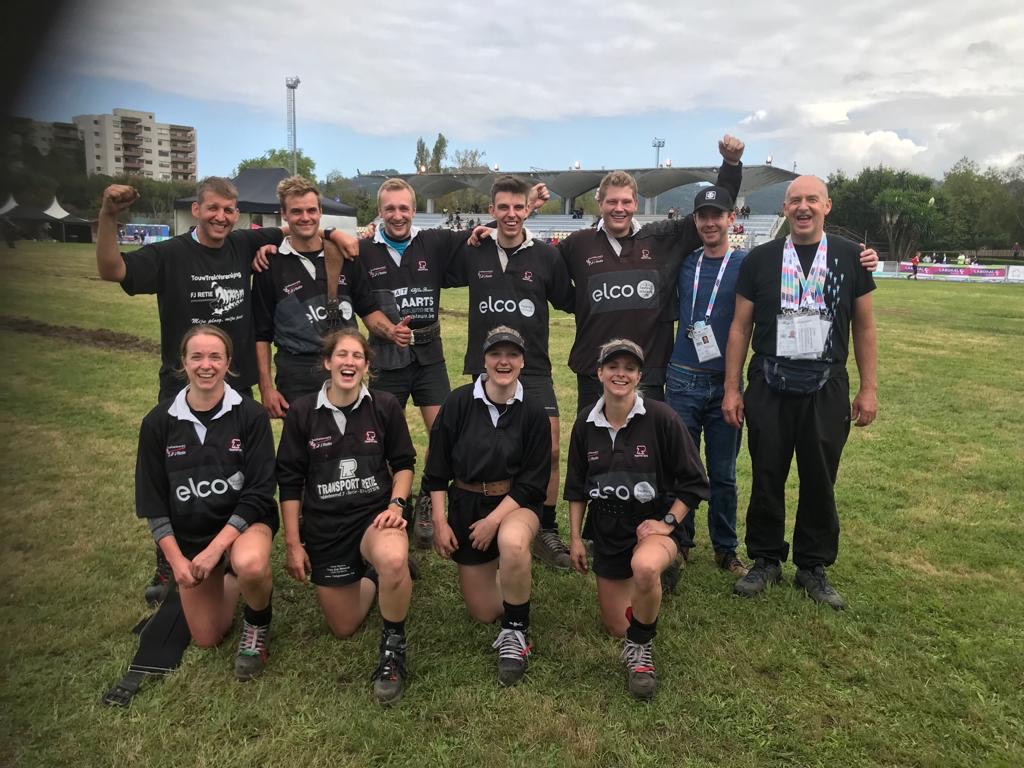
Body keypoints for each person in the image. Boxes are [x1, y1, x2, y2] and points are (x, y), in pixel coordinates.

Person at [97, 177, 357, 605]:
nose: (220, 217)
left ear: (237, 215)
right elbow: (112, 270)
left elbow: (300, 225)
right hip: (183, 385)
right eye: (213, 208)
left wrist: (334, 232)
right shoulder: (170, 254)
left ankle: (234, 549)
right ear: (196, 210)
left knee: (237, 474)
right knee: (181, 474)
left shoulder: (242, 244)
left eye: (228, 210)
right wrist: (108, 216)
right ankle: (169, 560)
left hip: (236, 387)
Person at [723, 175, 878, 610]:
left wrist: (868, 388)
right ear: (785, 208)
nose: (803, 207)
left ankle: (812, 565)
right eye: (795, 200)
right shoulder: (761, 259)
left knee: (819, 477)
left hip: (826, 384)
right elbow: (740, 327)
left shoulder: (850, 257)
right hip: (770, 382)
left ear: (827, 206)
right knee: (766, 473)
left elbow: (865, 327)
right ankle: (765, 559)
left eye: (812, 199)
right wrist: (732, 388)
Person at [276, 327, 416, 705]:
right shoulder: (302, 412)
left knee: (393, 557)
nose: (349, 362)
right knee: (344, 626)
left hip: (375, 516)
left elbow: (404, 464)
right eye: (342, 354)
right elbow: (289, 482)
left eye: (357, 356)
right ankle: (375, 575)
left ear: (367, 366)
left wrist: (396, 505)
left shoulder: (384, 406)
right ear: (327, 362)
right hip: (325, 526)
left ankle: (393, 647)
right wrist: (293, 544)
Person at [564, 339, 709, 700]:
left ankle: (641, 651)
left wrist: (669, 522)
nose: (621, 374)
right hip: (607, 528)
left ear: (639, 376)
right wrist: (576, 538)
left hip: (651, 525)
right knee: (617, 626)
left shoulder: (662, 417)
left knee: (644, 567)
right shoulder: (585, 422)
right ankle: (649, 587)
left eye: (629, 368)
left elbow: (695, 482)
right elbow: (576, 487)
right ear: (599, 372)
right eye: (613, 367)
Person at [558, 136, 745, 412]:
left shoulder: (661, 238)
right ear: (600, 203)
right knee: (594, 437)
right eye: (612, 201)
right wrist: (579, 302)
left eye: (625, 202)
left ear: (635, 203)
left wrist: (730, 164)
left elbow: (716, 208)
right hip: (594, 371)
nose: (619, 208)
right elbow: (544, 271)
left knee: (647, 439)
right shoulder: (578, 244)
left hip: (648, 372)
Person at [445, 175, 575, 571]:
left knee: (550, 449)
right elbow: (433, 263)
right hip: (485, 367)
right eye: (503, 207)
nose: (511, 214)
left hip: (533, 367)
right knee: (491, 448)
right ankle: (493, 517)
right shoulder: (475, 249)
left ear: (528, 210)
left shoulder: (546, 256)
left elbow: (571, 300)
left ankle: (545, 527)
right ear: (491, 210)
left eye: (519, 207)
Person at [134, 325, 278, 680]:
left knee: (250, 563)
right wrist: (176, 561)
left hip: (245, 524)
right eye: (196, 356)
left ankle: (257, 623)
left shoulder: (250, 415)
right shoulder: (157, 422)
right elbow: (153, 502)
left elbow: (259, 492)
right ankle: (229, 578)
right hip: (192, 533)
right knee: (206, 637)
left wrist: (217, 550)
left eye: (215, 356)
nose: (206, 365)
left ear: (228, 363)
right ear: (183, 362)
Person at [423, 326, 551, 686]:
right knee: (483, 612)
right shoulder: (458, 403)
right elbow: (436, 471)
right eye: (496, 354)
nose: (503, 362)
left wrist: (494, 521)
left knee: (512, 541)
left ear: (523, 362)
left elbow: (533, 484)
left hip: (516, 504)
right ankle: (510, 573)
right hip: (466, 505)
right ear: (484, 360)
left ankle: (516, 630)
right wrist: (440, 522)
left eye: (512, 355)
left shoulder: (533, 412)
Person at [357, 178, 471, 548]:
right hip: (386, 357)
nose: (397, 215)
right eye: (390, 208)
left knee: (443, 431)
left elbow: (482, 236)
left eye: (403, 208)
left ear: (414, 209)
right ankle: (391, 503)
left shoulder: (433, 241)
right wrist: (389, 331)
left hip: (429, 356)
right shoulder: (363, 250)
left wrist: (524, 211)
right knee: (382, 436)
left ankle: (426, 497)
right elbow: (364, 306)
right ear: (380, 211)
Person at [252, 175, 405, 417]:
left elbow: (367, 308)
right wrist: (266, 387)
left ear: (320, 212)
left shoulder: (345, 255)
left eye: (311, 210)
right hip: (296, 373)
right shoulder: (269, 264)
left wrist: (392, 330)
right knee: (304, 439)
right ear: (284, 214)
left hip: (343, 366)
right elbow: (261, 334)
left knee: (351, 436)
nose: (305, 217)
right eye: (297, 211)